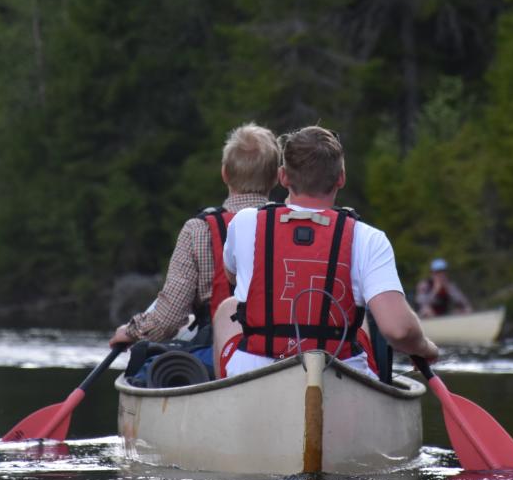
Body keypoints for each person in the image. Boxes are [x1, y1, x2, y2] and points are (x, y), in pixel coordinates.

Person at [213, 125, 439, 377]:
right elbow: (399, 330)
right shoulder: (368, 238)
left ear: (283, 177)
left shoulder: (245, 222)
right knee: (358, 315)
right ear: (341, 178)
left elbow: (232, 277)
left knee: (228, 308)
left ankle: (224, 394)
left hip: (257, 374)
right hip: (339, 373)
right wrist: (425, 348)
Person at [110, 123, 280, 374]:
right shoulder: (290, 226)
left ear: (225, 173)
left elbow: (168, 319)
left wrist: (132, 332)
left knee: (144, 367)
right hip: (279, 349)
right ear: (276, 177)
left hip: (218, 350)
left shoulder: (198, 230)